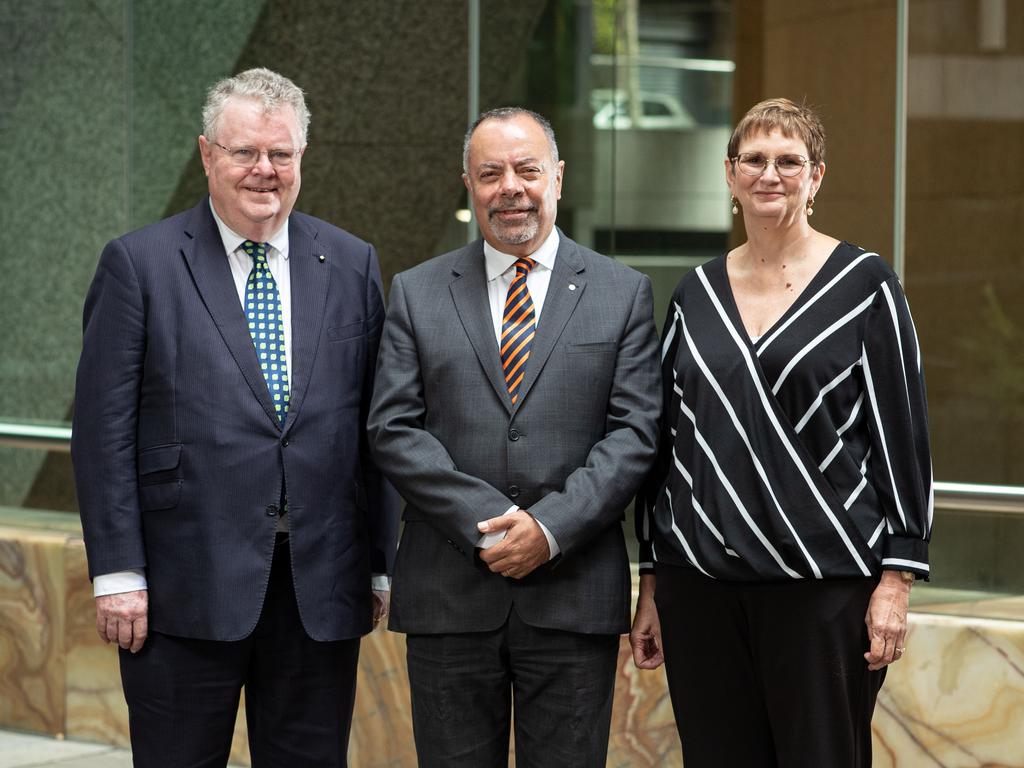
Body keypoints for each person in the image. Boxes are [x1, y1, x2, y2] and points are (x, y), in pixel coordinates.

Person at [71, 68, 398, 768]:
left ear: (302, 158)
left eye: (281, 154)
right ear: (207, 154)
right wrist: (118, 573)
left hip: (318, 587)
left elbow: (376, 428)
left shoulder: (351, 262)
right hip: (182, 586)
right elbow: (103, 434)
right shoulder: (140, 265)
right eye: (245, 151)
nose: (264, 170)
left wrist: (378, 564)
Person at [629, 97, 933, 768]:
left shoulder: (866, 285)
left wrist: (897, 578)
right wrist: (650, 578)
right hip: (699, 583)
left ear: (816, 176)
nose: (771, 174)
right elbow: (664, 444)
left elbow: (902, 435)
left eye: (789, 161)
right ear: (731, 174)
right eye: (755, 160)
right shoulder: (695, 293)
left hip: (822, 587)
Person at [367, 107, 661, 768]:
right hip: (449, 596)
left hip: (573, 594)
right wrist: (493, 527)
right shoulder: (416, 293)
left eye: (527, 169)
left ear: (557, 177)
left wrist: (549, 529)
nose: (511, 187)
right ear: (468, 184)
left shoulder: (623, 293)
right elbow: (392, 428)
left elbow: (635, 434)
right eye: (490, 172)